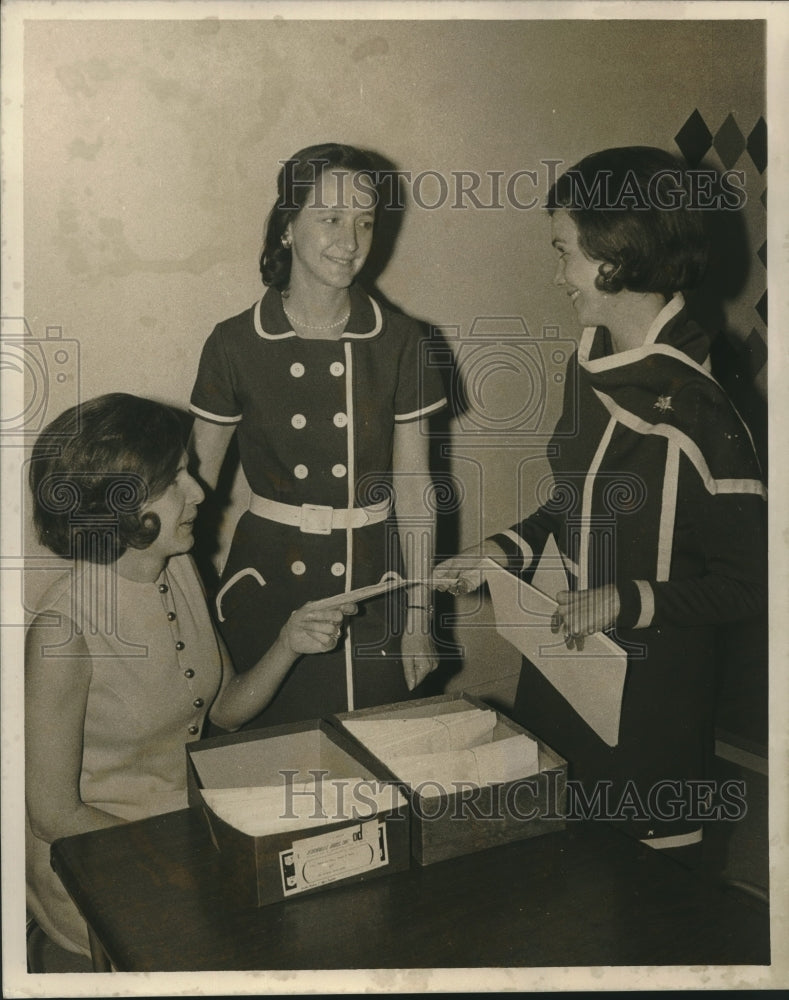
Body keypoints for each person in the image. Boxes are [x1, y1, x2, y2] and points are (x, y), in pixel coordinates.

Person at [434, 146, 767, 860]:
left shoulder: (701, 412)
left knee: (641, 895)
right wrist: (501, 551)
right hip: (566, 668)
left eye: (565, 253)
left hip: (651, 695)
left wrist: (628, 598)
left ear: (613, 260)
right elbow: (571, 505)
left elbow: (752, 583)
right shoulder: (589, 364)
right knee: (560, 861)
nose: (557, 276)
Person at [25, 393, 356, 960]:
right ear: (119, 503)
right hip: (101, 873)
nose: (199, 492)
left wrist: (289, 642)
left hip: (186, 841)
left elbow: (223, 706)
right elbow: (51, 814)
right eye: (175, 478)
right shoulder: (65, 632)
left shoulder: (177, 565)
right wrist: (191, 860)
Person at [188, 142, 447, 728]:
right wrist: (190, 611)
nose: (351, 241)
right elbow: (192, 495)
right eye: (330, 218)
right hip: (271, 587)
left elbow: (415, 490)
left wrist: (419, 618)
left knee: (377, 767)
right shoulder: (233, 344)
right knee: (276, 764)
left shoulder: (403, 340)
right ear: (287, 226)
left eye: (364, 221)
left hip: (376, 591)